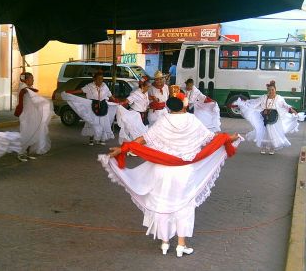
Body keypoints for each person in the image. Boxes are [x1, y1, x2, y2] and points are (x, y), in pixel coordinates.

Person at [98, 91, 242, 257]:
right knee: (184, 207)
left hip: (162, 170)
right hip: (184, 172)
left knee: (162, 205)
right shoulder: (192, 120)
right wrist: (230, 138)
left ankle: (165, 243)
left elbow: (142, 139)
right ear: (184, 106)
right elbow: (212, 138)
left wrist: (122, 148)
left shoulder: (163, 120)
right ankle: (181, 245)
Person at [234, 80, 302, 155]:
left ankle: (272, 148)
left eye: (272, 90)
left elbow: (286, 106)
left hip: (274, 118)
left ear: (275, 90)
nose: (271, 91)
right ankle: (263, 147)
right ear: (267, 90)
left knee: (272, 133)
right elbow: (255, 102)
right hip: (264, 116)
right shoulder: (263, 97)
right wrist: (245, 103)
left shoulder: (279, 98)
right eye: (269, 90)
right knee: (264, 132)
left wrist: (294, 112)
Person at [62, 72, 118, 146]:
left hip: (103, 107)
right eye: (98, 79)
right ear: (94, 79)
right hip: (93, 106)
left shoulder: (105, 86)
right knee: (92, 122)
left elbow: (110, 95)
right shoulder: (89, 86)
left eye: (102, 79)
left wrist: (117, 101)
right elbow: (80, 90)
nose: (100, 80)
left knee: (102, 123)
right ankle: (91, 139)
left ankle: (102, 139)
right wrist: (70, 92)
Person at [14, 72, 53, 162]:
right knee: (26, 133)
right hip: (26, 115)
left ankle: (27, 153)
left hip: (32, 114)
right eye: (31, 78)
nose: (33, 80)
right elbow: (26, 92)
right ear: (26, 80)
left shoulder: (28, 88)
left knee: (32, 132)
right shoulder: (23, 87)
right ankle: (20, 153)